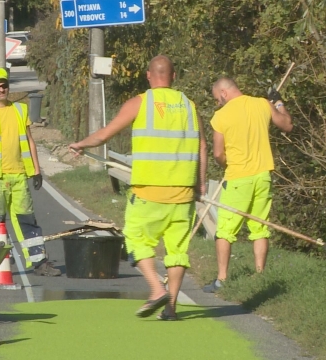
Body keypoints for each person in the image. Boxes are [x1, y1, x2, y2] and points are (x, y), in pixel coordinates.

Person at [69, 55, 207, 320]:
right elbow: (202, 147)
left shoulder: (140, 103)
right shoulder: (190, 106)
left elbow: (106, 134)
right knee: (177, 251)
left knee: (134, 237)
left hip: (149, 192)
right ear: (174, 76)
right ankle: (170, 309)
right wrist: (199, 186)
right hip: (183, 194)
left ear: (148, 75)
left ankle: (156, 290)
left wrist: (81, 144)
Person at [203, 78, 292, 293]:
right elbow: (287, 125)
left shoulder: (221, 116)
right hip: (263, 175)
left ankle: (222, 279)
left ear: (224, 93)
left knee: (224, 230)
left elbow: (217, 153)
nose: (218, 103)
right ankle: (260, 274)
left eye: (217, 99)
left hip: (238, 178)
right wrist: (278, 102)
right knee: (260, 227)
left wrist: (226, 164)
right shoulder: (262, 103)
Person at [0, 68, 60, 276]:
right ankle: (0, 264)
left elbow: (29, 141)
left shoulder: (20, 110)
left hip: (18, 175)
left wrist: (36, 171)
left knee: (27, 219)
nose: (1, 89)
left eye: (4, 85)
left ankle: (38, 261)